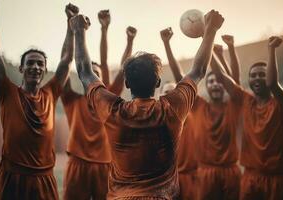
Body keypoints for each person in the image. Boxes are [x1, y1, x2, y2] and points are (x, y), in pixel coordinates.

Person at [70, 9, 224, 199]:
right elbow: (198, 70)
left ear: (126, 83)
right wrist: (211, 30)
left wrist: (78, 31)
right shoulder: (172, 109)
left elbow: (85, 72)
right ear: (158, 82)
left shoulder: (113, 111)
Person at [0, 0, 74, 199]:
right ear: (21, 68)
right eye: (31, 63)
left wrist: (70, 24)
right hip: (12, 177)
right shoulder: (6, 91)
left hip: (44, 179)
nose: (36, 67)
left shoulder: (51, 93)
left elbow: (67, 60)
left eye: (40, 63)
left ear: (44, 69)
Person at [61, 9, 137, 199]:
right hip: (77, 164)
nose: (93, 76)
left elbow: (123, 68)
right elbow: (64, 64)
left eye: (98, 74)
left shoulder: (108, 99)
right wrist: (70, 26)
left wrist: (126, 40)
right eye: (90, 72)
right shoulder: (72, 100)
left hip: (105, 165)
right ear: (83, 76)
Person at [210, 36, 283, 200]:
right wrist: (206, 39)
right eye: (253, 75)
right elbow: (221, 76)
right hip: (250, 176)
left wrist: (271, 49)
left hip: (277, 178)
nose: (257, 78)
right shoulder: (245, 100)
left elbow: (272, 84)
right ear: (248, 80)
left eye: (261, 75)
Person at [161, 27, 242, 200]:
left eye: (218, 81)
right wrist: (167, 44)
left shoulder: (233, 104)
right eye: (210, 81)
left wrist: (213, 42)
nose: (215, 84)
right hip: (205, 172)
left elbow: (234, 80)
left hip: (231, 171)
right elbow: (179, 77)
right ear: (207, 86)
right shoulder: (198, 106)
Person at [159, 27, 199, 200]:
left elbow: (181, 77)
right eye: (166, 92)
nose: (170, 94)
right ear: (161, 96)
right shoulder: (156, 118)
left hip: (189, 177)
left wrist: (167, 44)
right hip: (165, 180)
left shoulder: (188, 110)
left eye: (174, 91)